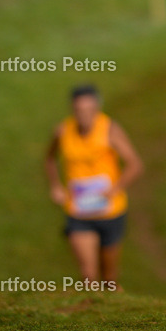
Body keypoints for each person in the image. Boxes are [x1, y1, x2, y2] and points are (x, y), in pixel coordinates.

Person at [44, 85, 144, 290]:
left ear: (97, 108)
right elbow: (50, 159)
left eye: (89, 110)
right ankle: (89, 316)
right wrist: (56, 186)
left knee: (109, 279)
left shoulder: (110, 130)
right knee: (88, 276)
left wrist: (114, 189)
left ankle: (116, 314)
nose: (84, 116)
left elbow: (135, 164)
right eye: (79, 110)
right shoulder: (63, 131)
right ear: (72, 110)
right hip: (78, 212)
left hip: (110, 211)